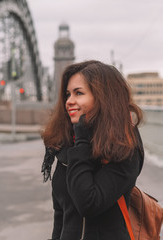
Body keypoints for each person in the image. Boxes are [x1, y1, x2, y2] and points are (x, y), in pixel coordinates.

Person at [41, 60, 144, 240]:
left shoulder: (124, 147)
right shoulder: (66, 146)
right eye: (68, 94)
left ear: (104, 98)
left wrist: (82, 136)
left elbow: (88, 202)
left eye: (78, 93)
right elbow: (61, 215)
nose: (69, 101)